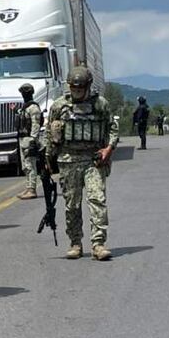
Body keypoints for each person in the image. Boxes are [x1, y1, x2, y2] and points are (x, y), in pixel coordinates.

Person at [45, 65, 118, 260]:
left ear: (88, 86)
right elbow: (48, 135)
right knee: (72, 205)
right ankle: (75, 242)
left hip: (93, 160)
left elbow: (113, 129)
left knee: (97, 200)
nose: (76, 92)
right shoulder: (59, 106)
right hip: (68, 161)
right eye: (73, 88)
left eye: (80, 88)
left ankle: (98, 243)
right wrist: (47, 160)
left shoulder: (100, 105)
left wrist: (108, 149)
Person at [15, 83, 43, 201]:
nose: (24, 95)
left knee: (30, 165)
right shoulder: (24, 108)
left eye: (25, 93)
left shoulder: (33, 108)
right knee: (25, 166)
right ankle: (28, 187)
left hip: (29, 139)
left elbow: (36, 125)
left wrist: (33, 140)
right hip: (22, 139)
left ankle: (32, 189)